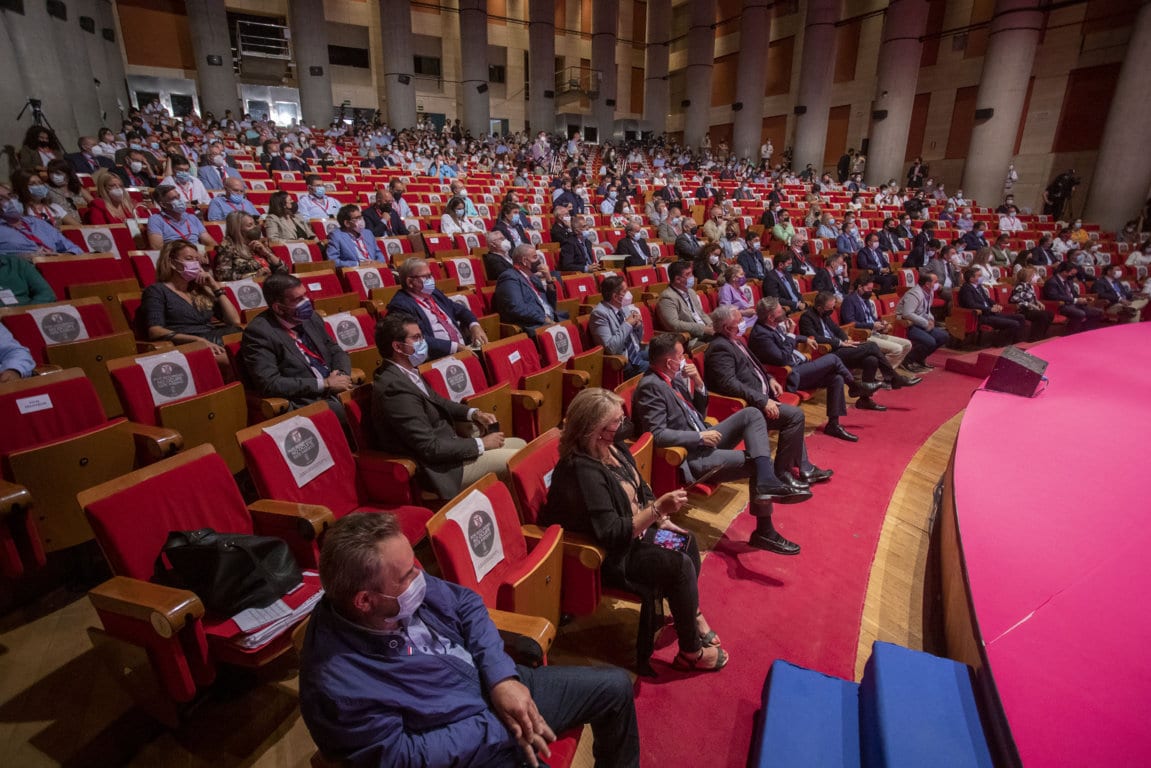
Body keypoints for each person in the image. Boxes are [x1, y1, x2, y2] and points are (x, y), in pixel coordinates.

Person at [299, 512, 641, 768]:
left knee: (615, 688)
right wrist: (497, 726)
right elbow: (404, 757)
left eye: (415, 566)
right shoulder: (337, 686)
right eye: (407, 575)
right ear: (364, 601)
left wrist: (501, 678)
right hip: (465, 744)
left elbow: (467, 603)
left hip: (491, 685)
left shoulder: (395, 587)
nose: (421, 576)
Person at [542, 388, 727, 672]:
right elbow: (612, 533)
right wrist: (657, 511)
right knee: (678, 565)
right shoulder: (582, 470)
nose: (625, 423)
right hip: (610, 555)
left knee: (685, 542)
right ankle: (692, 652)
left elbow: (641, 488)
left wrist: (661, 520)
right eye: (617, 420)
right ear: (596, 429)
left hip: (635, 536)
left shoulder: (614, 447)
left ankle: (690, 614)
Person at [634, 334, 810, 555]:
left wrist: (698, 383)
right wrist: (699, 438)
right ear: (669, 362)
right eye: (681, 356)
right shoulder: (650, 387)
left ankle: (767, 478)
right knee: (758, 462)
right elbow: (656, 435)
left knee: (752, 413)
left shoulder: (674, 377)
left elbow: (697, 413)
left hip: (704, 435)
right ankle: (765, 531)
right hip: (691, 455)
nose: (685, 360)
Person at [371, 312, 523, 498]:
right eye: (417, 337)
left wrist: (474, 413)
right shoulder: (394, 389)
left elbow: (439, 401)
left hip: (450, 447)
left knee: (522, 445)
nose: (423, 342)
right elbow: (429, 447)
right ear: (397, 346)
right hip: (441, 470)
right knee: (518, 460)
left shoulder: (406, 371)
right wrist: (481, 443)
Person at [750, 297, 886, 442]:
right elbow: (783, 357)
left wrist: (804, 339)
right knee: (833, 359)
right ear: (771, 317)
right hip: (790, 376)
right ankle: (854, 386)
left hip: (800, 367)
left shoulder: (771, 326)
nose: (783, 311)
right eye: (779, 310)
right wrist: (790, 333)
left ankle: (833, 424)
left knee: (836, 378)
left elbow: (787, 340)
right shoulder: (761, 335)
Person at [239, 272, 355, 419]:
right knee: (349, 412)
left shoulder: (312, 317)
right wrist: (324, 383)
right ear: (279, 308)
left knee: (372, 396)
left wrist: (341, 375)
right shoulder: (259, 332)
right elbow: (270, 383)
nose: (307, 302)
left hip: (335, 386)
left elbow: (335, 350)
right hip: (305, 400)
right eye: (298, 299)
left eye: (305, 295)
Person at [141, 240, 242, 367]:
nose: (195, 264)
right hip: (189, 344)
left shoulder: (199, 289)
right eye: (189, 259)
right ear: (172, 262)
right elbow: (155, 331)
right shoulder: (157, 291)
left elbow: (234, 321)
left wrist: (215, 287)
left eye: (196, 259)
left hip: (215, 339)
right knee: (240, 361)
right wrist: (198, 341)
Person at [800, 292, 919, 395]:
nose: (832, 311)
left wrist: (845, 339)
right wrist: (840, 342)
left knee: (871, 359)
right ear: (820, 308)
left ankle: (865, 399)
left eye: (832, 307)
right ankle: (894, 377)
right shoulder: (807, 317)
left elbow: (837, 329)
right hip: (828, 353)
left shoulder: (825, 314)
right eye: (829, 308)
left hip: (840, 347)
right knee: (872, 345)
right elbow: (815, 338)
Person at [387, 258, 487, 359]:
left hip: (464, 348)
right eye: (426, 276)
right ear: (410, 282)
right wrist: (455, 347)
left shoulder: (434, 293)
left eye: (431, 275)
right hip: (437, 357)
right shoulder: (400, 305)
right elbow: (416, 340)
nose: (431, 280)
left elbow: (459, 310)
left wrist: (474, 326)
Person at [838, 277, 913, 370]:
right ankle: (880, 375)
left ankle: (887, 372)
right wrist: (872, 325)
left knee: (907, 344)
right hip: (863, 335)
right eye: (868, 289)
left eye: (871, 289)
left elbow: (871, 318)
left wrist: (881, 323)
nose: (870, 291)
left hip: (875, 332)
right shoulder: (849, 301)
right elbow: (850, 323)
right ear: (860, 287)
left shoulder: (865, 299)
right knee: (897, 349)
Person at [492, 244, 568, 335]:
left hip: (552, 318)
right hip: (534, 324)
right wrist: (543, 318)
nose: (539, 261)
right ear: (524, 261)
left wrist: (549, 279)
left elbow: (551, 303)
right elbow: (516, 307)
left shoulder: (534, 278)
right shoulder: (509, 277)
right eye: (535, 257)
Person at [589, 276, 648, 379]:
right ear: (615, 296)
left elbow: (638, 340)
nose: (629, 294)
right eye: (625, 291)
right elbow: (610, 348)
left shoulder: (623, 307)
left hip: (636, 354)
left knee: (665, 353)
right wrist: (628, 324)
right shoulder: (599, 314)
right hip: (623, 362)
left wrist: (638, 326)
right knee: (660, 368)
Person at [0, 183, 83, 254]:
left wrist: (64, 256)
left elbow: (74, 249)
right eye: (1, 199)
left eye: (10, 195)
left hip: (57, 265)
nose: (10, 200)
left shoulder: (38, 223)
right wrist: (25, 258)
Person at [895, 273, 950, 372]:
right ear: (927, 284)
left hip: (920, 322)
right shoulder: (914, 294)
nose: (938, 284)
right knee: (930, 341)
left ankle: (919, 358)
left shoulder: (930, 292)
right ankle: (907, 360)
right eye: (935, 282)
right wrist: (925, 323)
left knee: (943, 336)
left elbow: (927, 310)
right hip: (907, 324)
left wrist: (931, 319)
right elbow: (907, 314)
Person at [957, 268, 1027, 344]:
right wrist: (989, 309)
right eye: (979, 276)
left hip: (991, 313)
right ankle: (999, 345)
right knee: (1014, 324)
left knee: (1020, 317)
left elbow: (987, 299)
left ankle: (1018, 343)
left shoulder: (978, 286)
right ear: (971, 279)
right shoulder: (966, 289)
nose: (982, 277)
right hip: (982, 316)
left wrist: (996, 305)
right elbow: (971, 304)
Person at [213, 211, 287, 282]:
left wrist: (267, 253)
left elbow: (284, 270)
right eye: (250, 225)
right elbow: (223, 276)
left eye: (254, 224)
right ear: (238, 229)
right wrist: (255, 276)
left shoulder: (259, 244)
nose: (255, 227)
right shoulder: (227, 247)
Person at [656, 260, 712, 350]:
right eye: (688, 274)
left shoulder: (691, 291)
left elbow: (701, 313)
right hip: (690, 339)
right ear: (678, 279)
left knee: (728, 338)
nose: (692, 277)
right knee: (718, 346)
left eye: (691, 273)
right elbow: (674, 324)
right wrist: (702, 328)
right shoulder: (667, 297)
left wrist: (711, 325)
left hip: (705, 332)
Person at [147, 185, 217, 249]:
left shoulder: (192, 218)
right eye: (174, 198)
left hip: (198, 255)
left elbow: (209, 242)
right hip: (175, 258)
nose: (179, 201)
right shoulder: (155, 220)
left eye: (178, 196)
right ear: (163, 205)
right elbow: (157, 248)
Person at [1042, 261, 1102, 333]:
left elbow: (1074, 294)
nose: (1073, 276)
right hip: (1062, 306)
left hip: (1074, 304)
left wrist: (1085, 299)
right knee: (1080, 313)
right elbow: (1053, 296)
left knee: (1097, 312)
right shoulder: (1052, 282)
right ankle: (1070, 334)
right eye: (1072, 273)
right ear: (1064, 272)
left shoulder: (1068, 281)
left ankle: (1086, 332)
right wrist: (1075, 300)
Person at [10, 169, 77, 227]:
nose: (39, 186)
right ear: (21, 188)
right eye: (32, 184)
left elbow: (79, 228)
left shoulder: (55, 207)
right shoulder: (18, 210)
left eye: (40, 183)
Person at [1008, 268, 1054, 341]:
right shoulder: (1020, 286)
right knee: (1043, 315)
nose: (1033, 278)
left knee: (1050, 314)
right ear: (1027, 277)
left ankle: (1041, 335)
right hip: (1024, 310)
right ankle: (1034, 338)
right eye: (1032, 276)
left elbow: (1032, 297)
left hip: (1032, 309)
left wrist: (1038, 302)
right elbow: (1014, 299)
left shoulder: (1030, 285)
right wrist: (1031, 305)